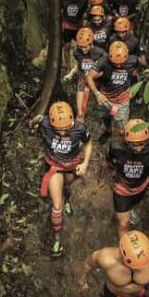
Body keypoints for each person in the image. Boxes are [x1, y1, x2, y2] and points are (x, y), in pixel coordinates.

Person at [37, 102, 93, 257]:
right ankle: (57, 240)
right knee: (56, 206)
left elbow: (88, 144)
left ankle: (67, 198)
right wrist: (32, 123)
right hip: (54, 167)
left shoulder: (79, 128)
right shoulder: (46, 123)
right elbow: (38, 118)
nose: (62, 132)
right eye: (58, 129)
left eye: (65, 128)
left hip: (71, 166)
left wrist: (85, 163)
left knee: (67, 187)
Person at [109, 119, 149, 237]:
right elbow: (108, 161)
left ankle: (127, 210)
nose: (139, 148)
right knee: (124, 224)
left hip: (141, 186)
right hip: (121, 189)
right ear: (127, 141)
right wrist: (104, 177)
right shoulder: (116, 147)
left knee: (132, 205)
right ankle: (125, 251)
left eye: (142, 143)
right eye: (134, 144)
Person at [86, 41, 138, 143]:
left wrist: (133, 89)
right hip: (105, 98)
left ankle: (122, 145)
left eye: (121, 63)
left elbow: (135, 75)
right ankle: (108, 131)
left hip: (122, 100)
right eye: (115, 63)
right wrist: (97, 94)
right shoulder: (103, 61)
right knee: (105, 116)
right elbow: (89, 77)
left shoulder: (133, 61)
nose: (118, 66)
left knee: (122, 128)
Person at [63, 28, 107, 121]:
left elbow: (107, 70)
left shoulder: (101, 53)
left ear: (91, 43)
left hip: (99, 81)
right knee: (80, 112)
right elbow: (79, 65)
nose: (82, 49)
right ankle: (80, 127)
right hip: (83, 82)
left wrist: (94, 76)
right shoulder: (77, 53)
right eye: (80, 46)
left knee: (107, 108)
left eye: (85, 46)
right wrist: (70, 74)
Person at [62, 0, 88, 70]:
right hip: (67, 25)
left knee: (81, 47)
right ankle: (68, 66)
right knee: (67, 46)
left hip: (78, 26)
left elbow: (85, 12)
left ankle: (78, 66)